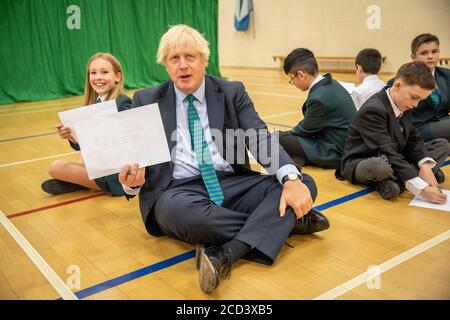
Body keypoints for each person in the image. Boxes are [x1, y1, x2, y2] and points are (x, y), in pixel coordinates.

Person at [118, 25, 329, 293]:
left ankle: (227, 252)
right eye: (174, 59)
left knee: (303, 182)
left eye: (190, 57)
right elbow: (136, 159)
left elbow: (258, 137)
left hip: (230, 182)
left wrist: (289, 179)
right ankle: (287, 222)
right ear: (166, 66)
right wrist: (131, 183)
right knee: (183, 215)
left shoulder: (232, 92)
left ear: (204, 61)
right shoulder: (146, 100)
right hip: (179, 192)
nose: (183, 65)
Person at [337, 61, 450, 203]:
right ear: (397, 86)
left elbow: (413, 138)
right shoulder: (373, 110)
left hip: (395, 154)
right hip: (368, 159)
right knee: (380, 167)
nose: (416, 104)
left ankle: (400, 180)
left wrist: (425, 165)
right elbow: (386, 151)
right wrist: (421, 189)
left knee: (442, 145)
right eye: (415, 98)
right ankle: (405, 178)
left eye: (421, 100)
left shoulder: (404, 102)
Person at [41, 53, 132, 196]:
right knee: (82, 156)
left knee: (55, 167)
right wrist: (71, 136)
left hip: (115, 175)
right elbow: (86, 146)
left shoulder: (122, 102)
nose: (98, 77)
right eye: (93, 73)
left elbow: (129, 145)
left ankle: (82, 182)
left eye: (104, 72)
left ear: (117, 77)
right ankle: (81, 181)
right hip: (100, 164)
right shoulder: (96, 103)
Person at [277, 48, 356, 169]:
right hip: (345, 145)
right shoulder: (330, 83)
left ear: (301, 75)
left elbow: (304, 130)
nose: (292, 83)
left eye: (291, 80)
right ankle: (297, 157)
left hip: (335, 152)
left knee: (277, 138)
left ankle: (299, 158)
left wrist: (283, 134)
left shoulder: (318, 98)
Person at [387, 33, 450, 142]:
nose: (430, 56)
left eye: (434, 51)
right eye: (424, 53)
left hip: (443, 121)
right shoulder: (399, 82)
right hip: (417, 128)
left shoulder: (447, 75)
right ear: (413, 57)